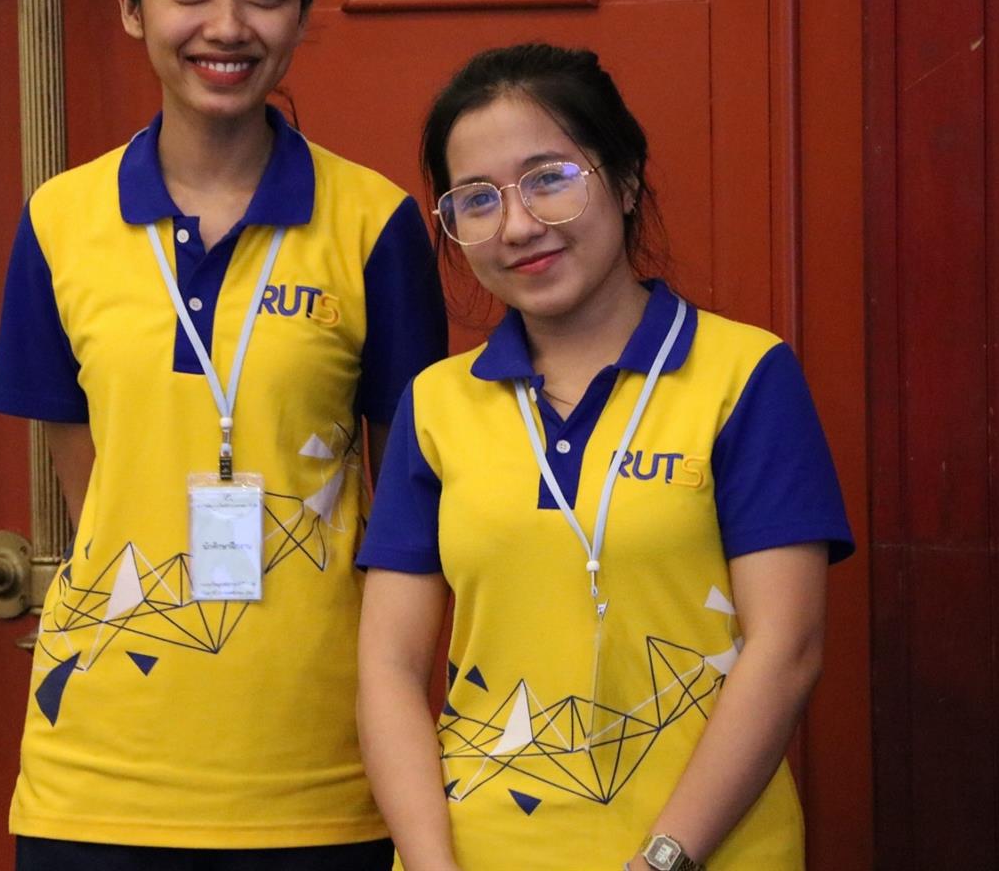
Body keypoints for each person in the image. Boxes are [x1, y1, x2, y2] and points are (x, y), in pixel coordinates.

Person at [0, 0, 447, 870]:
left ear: (302, 14)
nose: (227, 26)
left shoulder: (374, 224)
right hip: (97, 773)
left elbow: (410, 506)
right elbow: (86, 476)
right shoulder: (60, 220)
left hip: (319, 771)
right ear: (131, 8)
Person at [357, 44, 854, 870]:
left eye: (549, 179)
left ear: (623, 181)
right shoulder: (437, 404)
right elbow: (388, 667)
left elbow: (787, 649)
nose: (518, 226)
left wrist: (663, 860)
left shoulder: (743, 375)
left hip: (705, 855)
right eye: (476, 200)